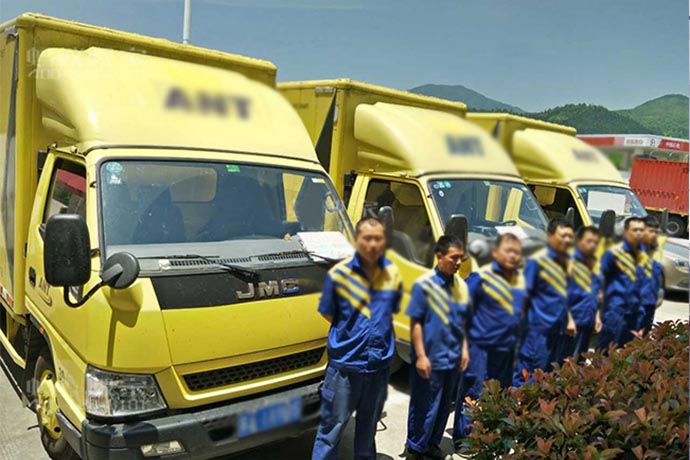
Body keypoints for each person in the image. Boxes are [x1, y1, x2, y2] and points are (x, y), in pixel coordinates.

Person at [312, 217, 403, 460]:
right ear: (356, 240)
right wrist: (352, 333)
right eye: (367, 238)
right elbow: (327, 312)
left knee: (367, 429)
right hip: (346, 366)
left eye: (378, 239)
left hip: (378, 366)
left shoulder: (391, 273)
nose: (372, 244)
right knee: (331, 431)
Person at [453, 233, 527, 448]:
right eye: (508, 251)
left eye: (516, 252)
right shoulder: (480, 278)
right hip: (480, 348)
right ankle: (465, 439)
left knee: (499, 392)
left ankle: (491, 436)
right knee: (474, 391)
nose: (512, 256)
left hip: (506, 349)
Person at [405, 235, 469, 460]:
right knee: (424, 405)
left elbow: (463, 321)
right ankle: (416, 448)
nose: (458, 263)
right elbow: (416, 322)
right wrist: (421, 356)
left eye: (461, 258)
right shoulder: (425, 285)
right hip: (430, 358)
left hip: (451, 357)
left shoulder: (460, 286)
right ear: (440, 256)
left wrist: (464, 349)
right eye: (453, 258)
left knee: (443, 406)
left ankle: (432, 443)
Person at [513, 218, 576, 387]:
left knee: (548, 376)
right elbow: (523, 295)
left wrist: (569, 319)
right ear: (550, 236)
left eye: (570, 236)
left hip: (557, 332)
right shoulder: (537, 262)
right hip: (537, 332)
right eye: (563, 236)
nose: (567, 240)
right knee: (529, 376)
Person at [596, 216, 646, 351]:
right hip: (615, 310)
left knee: (626, 352)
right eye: (634, 230)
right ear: (625, 232)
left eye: (641, 230)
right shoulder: (613, 254)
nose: (638, 233)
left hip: (634, 313)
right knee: (605, 350)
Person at [562, 226, 603, 362]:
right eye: (589, 241)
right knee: (565, 363)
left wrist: (597, 316)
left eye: (595, 242)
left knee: (580, 363)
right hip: (571, 323)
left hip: (587, 322)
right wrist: (568, 320)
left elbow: (596, 293)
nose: (592, 245)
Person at [637, 216, 664, 336]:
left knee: (643, 340)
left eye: (656, 232)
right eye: (650, 231)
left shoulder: (654, 251)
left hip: (650, 304)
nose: (654, 235)